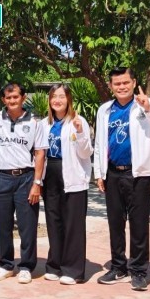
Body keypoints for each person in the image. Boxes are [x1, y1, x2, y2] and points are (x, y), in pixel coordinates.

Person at [94, 67, 150, 291]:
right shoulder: (104, 110)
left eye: (126, 82)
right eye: (117, 83)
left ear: (134, 82)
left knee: (138, 224)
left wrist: (149, 110)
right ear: (111, 86)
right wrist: (99, 173)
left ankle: (138, 271)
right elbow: (100, 143)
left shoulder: (147, 105)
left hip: (138, 174)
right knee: (115, 223)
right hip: (112, 173)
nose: (122, 87)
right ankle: (118, 267)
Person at [0, 82, 48, 284]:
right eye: (8, 97)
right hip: (0, 177)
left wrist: (37, 182)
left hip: (26, 177)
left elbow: (40, 153)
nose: (12, 101)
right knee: (2, 224)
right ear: (3, 100)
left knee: (27, 225)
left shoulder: (35, 122)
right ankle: (5, 264)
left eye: (15, 97)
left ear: (23, 98)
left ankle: (26, 266)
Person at [42, 84, 93, 285]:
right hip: (50, 174)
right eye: (54, 96)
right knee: (54, 220)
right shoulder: (44, 123)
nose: (57, 100)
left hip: (72, 175)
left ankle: (73, 269)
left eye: (62, 96)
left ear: (69, 99)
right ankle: (54, 265)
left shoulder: (78, 121)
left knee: (73, 223)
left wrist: (80, 132)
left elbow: (86, 152)